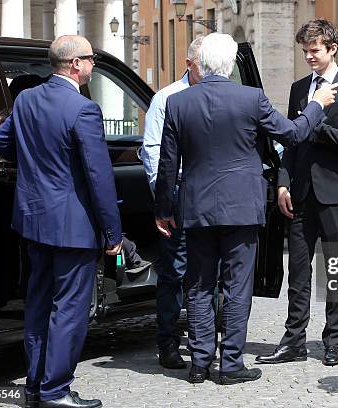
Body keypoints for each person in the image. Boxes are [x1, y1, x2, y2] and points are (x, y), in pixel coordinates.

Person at [154, 32, 338, 385]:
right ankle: (231, 364)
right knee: (236, 286)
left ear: (203, 63)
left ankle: (199, 363)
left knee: (198, 286)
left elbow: (168, 164)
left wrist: (164, 208)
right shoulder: (251, 98)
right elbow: (293, 134)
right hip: (241, 206)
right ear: (230, 65)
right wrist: (316, 104)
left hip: (196, 207)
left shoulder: (179, 103)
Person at [0, 35, 123, 408]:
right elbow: (99, 177)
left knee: (38, 303)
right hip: (73, 225)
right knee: (69, 308)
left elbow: (1, 142)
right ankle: (55, 391)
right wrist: (113, 232)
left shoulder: (27, 99)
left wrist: (32, 164)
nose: (94, 64)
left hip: (33, 219)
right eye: (91, 59)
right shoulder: (83, 109)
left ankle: (35, 385)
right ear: (76, 65)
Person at [255, 18, 338, 367]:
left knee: (335, 270)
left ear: (332, 48)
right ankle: (293, 340)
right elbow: (289, 141)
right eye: (305, 51)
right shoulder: (299, 87)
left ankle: (333, 341)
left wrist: (317, 126)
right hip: (300, 192)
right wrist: (284, 182)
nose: (309, 57)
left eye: (315, 51)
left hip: (335, 194)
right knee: (298, 272)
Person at [141, 36, 204, 369]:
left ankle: (202, 339)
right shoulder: (166, 98)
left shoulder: (218, 94)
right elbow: (151, 150)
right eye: (202, 64)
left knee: (208, 270)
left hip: (209, 192)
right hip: (178, 188)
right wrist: (163, 195)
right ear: (188, 63)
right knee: (174, 270)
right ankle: (167, 342)